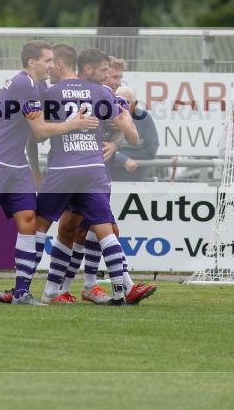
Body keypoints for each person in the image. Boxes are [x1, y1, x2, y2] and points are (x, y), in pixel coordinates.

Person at [0, 40, 98, 305]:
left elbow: (34, 133)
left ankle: (21, 292)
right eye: (47, 60)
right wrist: (74, 124)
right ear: (32, 62)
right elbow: (40, 132)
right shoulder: (25, 84)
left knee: (29, 221)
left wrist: (34, 169)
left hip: (16, 164)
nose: (51, 65)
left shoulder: (37, 86)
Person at [34, 44, 145, 305]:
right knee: (82, 228)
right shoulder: (97, 93)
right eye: (107, 72)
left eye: (114, 75)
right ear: (87, 69)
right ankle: (105, 288)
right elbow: (132, 135)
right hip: (85, 170)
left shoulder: (65, 92)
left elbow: (131, 134)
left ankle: (76, 287)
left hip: (79, 170)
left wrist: (114, 143)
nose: (111, 79)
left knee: (83, 228)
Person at [111, 86, 159, 181]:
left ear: (135, 104)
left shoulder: (145, 118)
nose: (122, 105)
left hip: (138, 180)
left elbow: (151, 151)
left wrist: (121, 156)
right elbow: (101, 150)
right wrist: (123, 160)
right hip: (110, 179)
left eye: (127, 102)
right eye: (119, 101)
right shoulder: (107, 118)